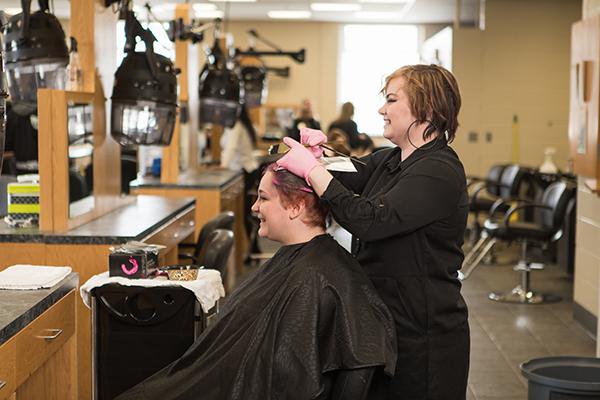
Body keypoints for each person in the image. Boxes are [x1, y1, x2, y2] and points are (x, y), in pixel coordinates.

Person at [116, 164, 397, 400]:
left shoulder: (317, 277)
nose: (254, 207)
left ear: (295, 207)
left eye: (263, 198)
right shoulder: (310, 264)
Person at [277, 64, 470, 400]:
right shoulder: (390, 160)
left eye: (391, 100)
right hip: (387, 323)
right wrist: (317, 159)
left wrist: (312, 170)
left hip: (424, 337)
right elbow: (349, 176)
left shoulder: (438, 171)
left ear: (425, 108)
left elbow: (369, 219)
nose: (382, 108)